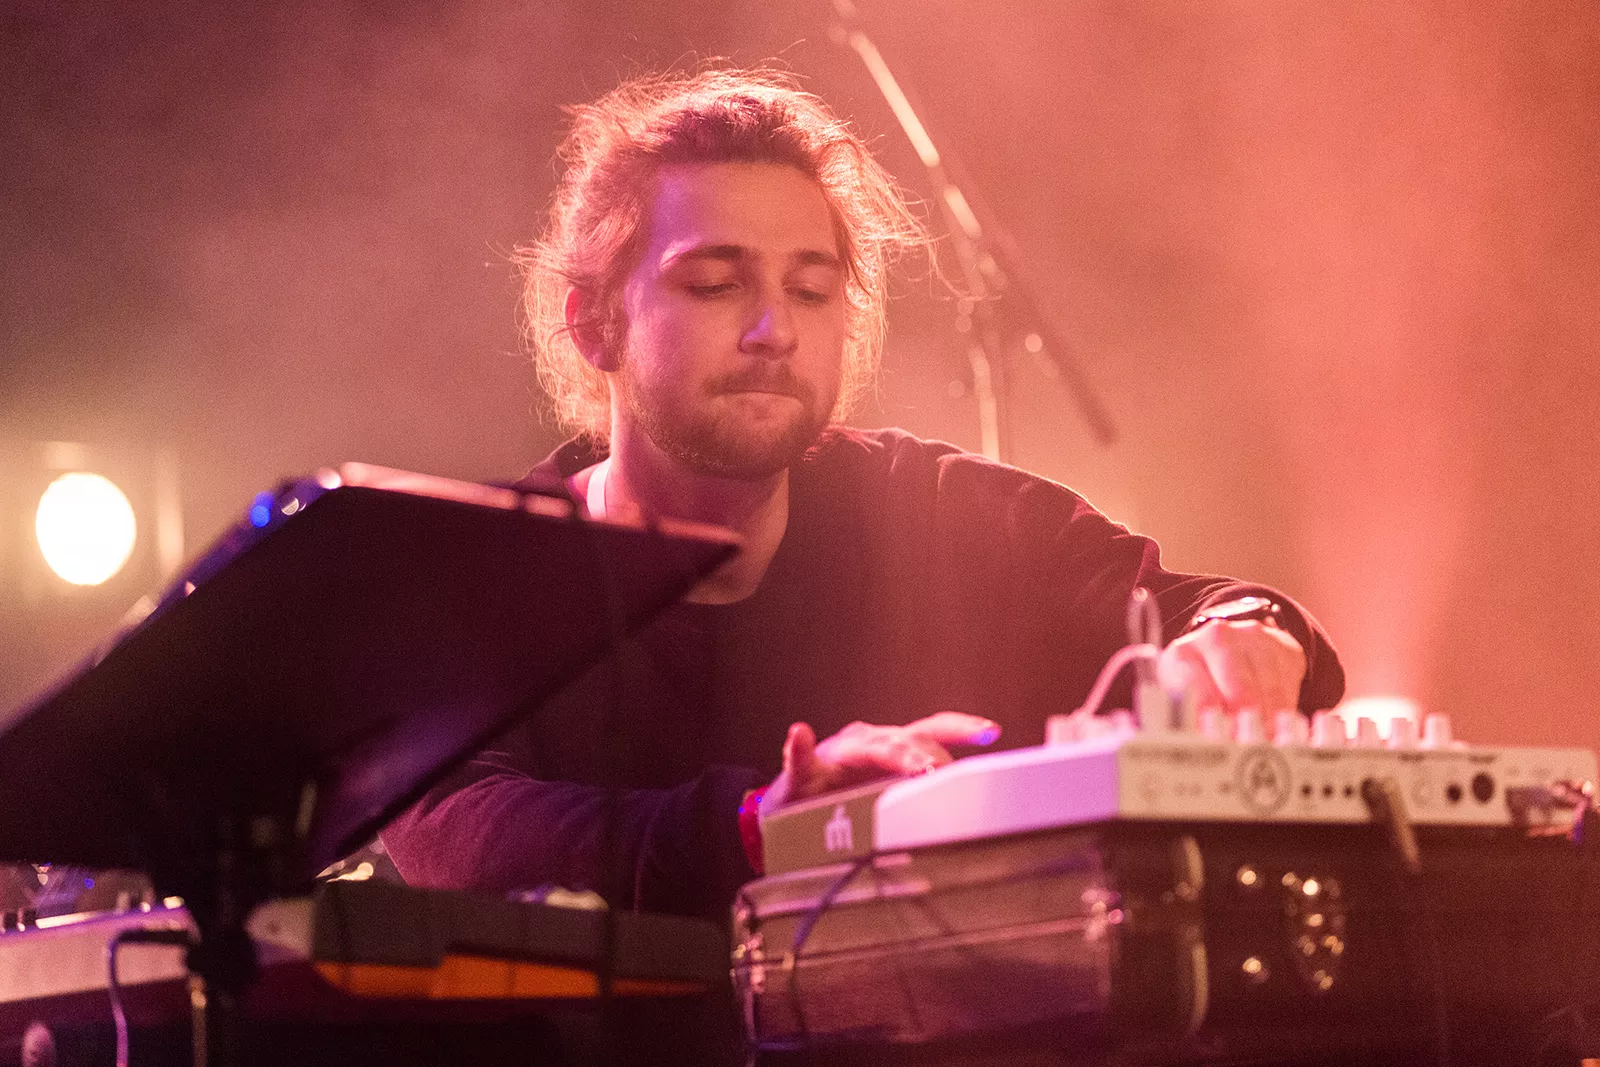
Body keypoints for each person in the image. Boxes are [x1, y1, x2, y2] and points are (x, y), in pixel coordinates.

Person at [380, 66, 1343, 1062]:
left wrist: (1247, 634)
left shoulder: (938, 506)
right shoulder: (477, 568)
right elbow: (456, 830)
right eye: (715, 284)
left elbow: (1202, 605)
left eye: (811, 288)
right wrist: (758, 826)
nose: (775, 329)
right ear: (594, 322)